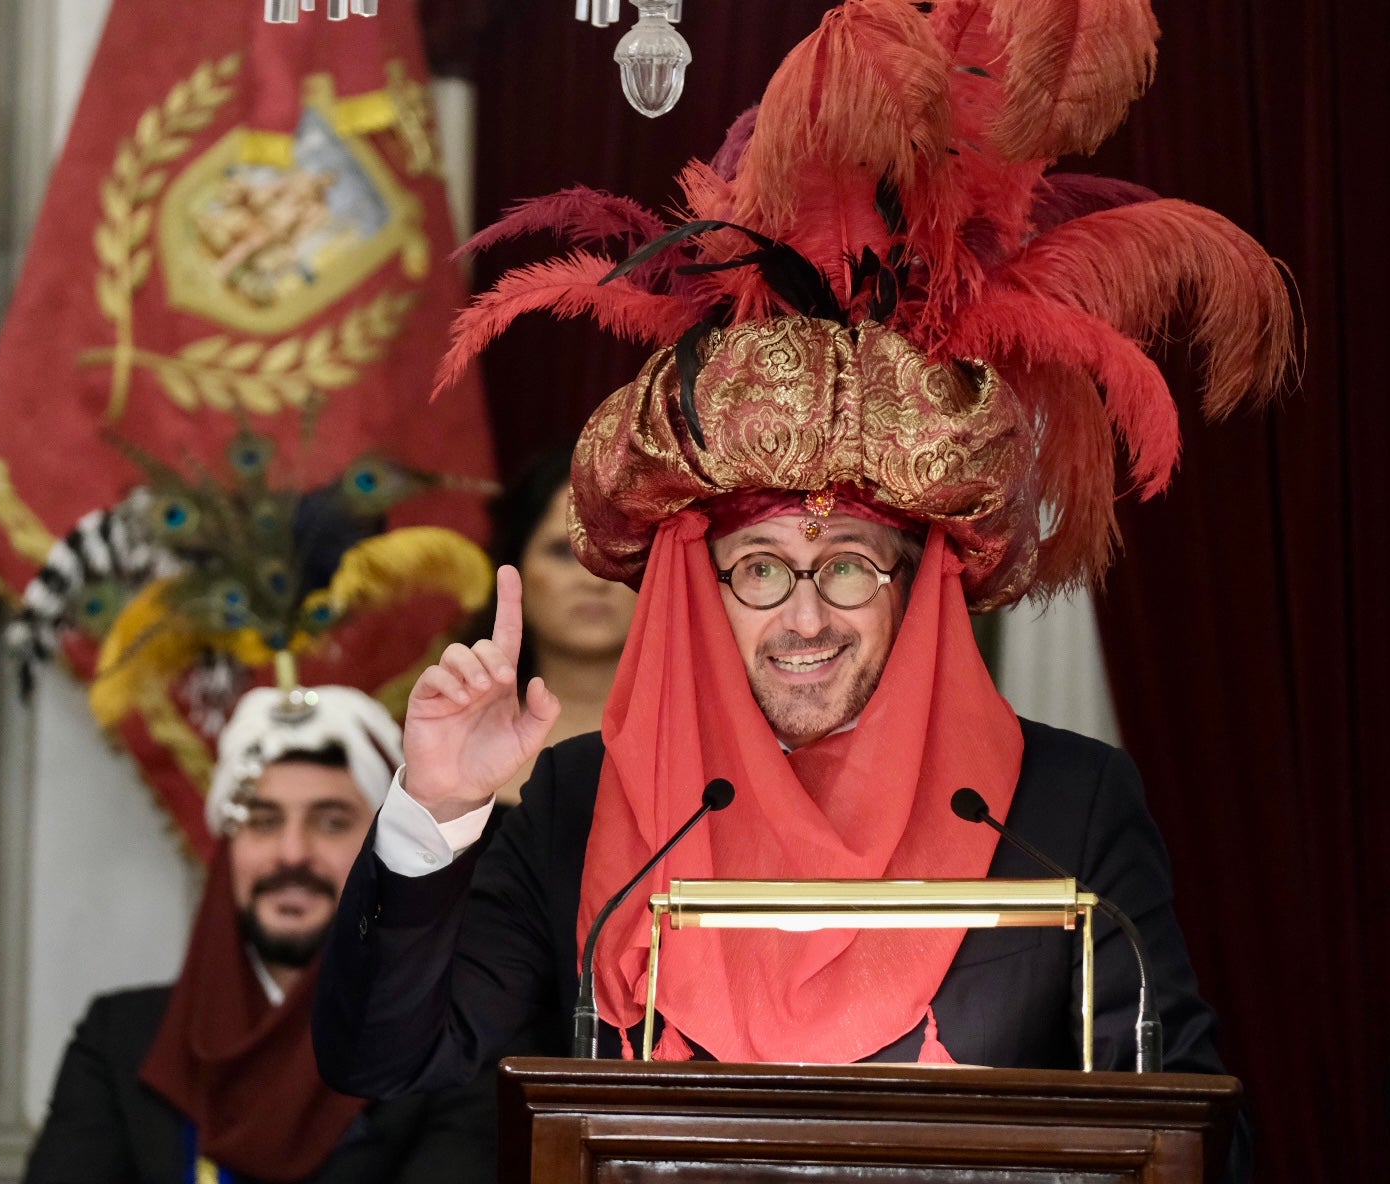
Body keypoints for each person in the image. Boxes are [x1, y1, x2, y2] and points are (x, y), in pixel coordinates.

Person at [314, 3, 1293, 1181]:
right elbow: (384, 1054)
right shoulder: (584, 804)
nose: (806, 615)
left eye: (849, 566)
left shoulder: (1062, 808)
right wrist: (432, 809)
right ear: (699, 587)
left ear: (921, 586)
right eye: (762, 568)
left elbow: (1192, 1137)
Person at [26, 684, 497, 1184]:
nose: (292, 853)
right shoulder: (121, 1039)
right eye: (264, 821)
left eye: (331, 823)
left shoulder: (451, 1048)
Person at [485, 448, 636, 804]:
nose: (593, 580)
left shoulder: (713, 736)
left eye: (619, 553)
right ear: (514, 566)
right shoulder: (455, 741)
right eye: (564, 553)